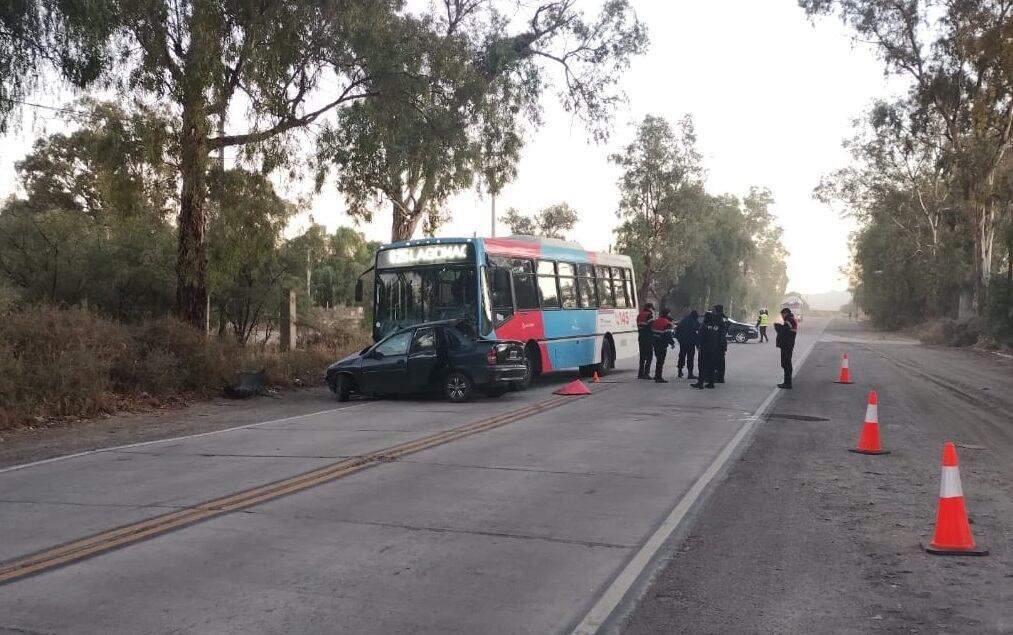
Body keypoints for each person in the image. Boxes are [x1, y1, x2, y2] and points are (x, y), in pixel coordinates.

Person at [693, 311, 722, 389]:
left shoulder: (704, 326)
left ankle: (700, 383)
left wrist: (698, 345)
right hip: (714, 349)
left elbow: (700, 337)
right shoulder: (716, 327)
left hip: (705, 349)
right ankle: (711, 383)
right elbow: (720, 337)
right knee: (711, 366)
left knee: (702, 366)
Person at [774, 307, 798, 389]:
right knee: (785, 364)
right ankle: (786, 382)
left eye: (782, 315)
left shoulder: (790, 320)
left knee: (786, 364)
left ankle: (788, 383)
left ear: (785, 313)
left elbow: (783, 331)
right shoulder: (790, 320)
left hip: (787, 345)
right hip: (787, 345)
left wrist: (777, 326)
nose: (782, 317)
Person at [650, 308, 676, 383]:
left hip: (655, 343)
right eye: (670, 313)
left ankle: (656, 376)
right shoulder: (667, 323)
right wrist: (672, 343)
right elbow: (667, 335)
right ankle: (658, 377)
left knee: (658, 360)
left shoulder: (656, 321)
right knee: (660, 361)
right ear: (667, 314)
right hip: (662, 344)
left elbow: (652, 332)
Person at [676, 309, 699, 379]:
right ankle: (690, 373)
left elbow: (678, 330)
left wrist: (679, 339)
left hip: (683, 342)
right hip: (691, 342)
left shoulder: (684, 320)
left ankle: (680, 371)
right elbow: (697, 331)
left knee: (682, 356)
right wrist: (697, 344)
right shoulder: (694, 321)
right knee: (690, 358)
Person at [636, 302, 656, 379]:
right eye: (652, 308)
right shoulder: (649, 315)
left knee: (642, 356)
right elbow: (652, 326)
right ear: (650, 308)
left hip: (641, 337)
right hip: (648, 337)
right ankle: (646, 373)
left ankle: (640, 373)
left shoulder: (639, 315)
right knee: (649, 356)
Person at [713, 304, 729, 383]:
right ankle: (721, 377)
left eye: (714, 310)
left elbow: (718, 330)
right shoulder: (725, 318)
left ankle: (718, 377)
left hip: (717, 342)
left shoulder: (717, 318)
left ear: (717, 310)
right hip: (723, 342)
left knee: (717, 361)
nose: (713, 311)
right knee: (721, 361)